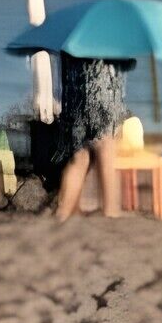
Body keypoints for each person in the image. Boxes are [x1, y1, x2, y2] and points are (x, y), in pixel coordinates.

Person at [48, 54, 127, 222]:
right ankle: (111, 212)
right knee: (107, 152)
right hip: (102, 95)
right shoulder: (105, 33)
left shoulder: (69, 31)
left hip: (74, 95)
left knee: (80, 156)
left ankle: (63, 212)